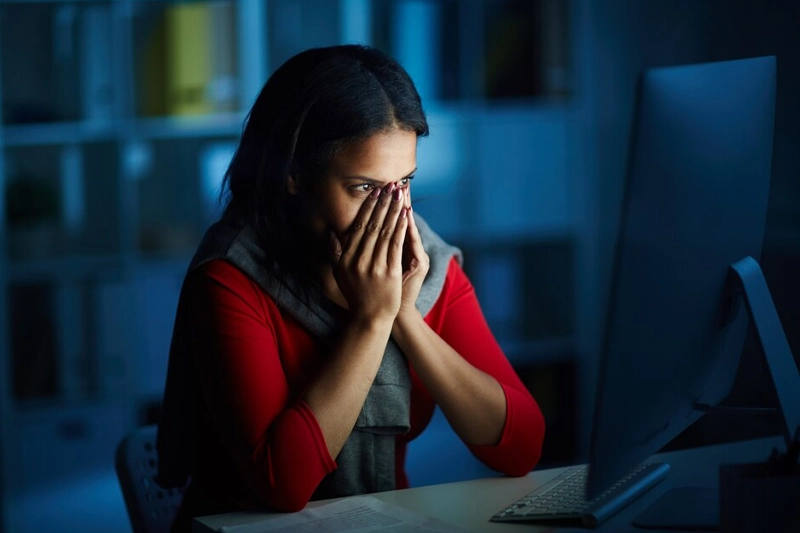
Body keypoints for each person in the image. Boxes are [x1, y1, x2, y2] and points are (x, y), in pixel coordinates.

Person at [156, 44, 545, 532]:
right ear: (294, 175)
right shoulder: (231, 277)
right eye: (364, 188)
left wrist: (403, 317)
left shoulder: (423, 258)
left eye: (403, 183)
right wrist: (371, 320)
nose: (389, 215)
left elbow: (522, 447)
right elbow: (283, 485)